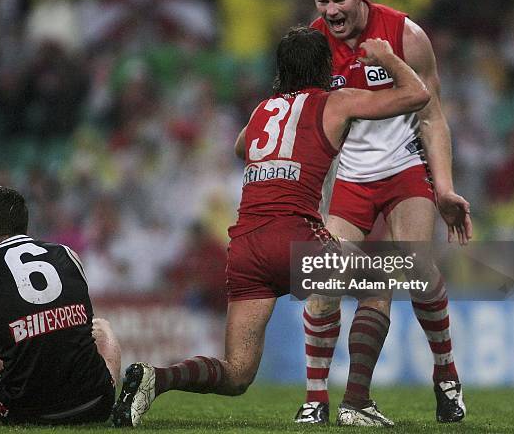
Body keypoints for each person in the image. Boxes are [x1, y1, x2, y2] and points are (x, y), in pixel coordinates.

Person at [111, 26, 430, 428]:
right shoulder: (336, 101)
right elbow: (418, 94)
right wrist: (387, 58)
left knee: (237, 373)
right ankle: (357, 403)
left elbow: (242, 147)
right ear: (323, 66)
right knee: (376, 286)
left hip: (245, 246)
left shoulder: (262, 110)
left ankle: (156, 379)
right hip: (294, 235)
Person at [294, 0, 472, 425]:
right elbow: (310, 122)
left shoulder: (405, 34)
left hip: (404, 172)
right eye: (323, 2)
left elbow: (433, 116)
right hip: (350, 179)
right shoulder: (313, 45)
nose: (331, 11)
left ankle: (446, 376)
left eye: (339, 0)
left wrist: (446, 189)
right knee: (322, 280)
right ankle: (316, 399)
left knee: (415, 270)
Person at [0, 186, 121, 425]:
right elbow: (74, 334)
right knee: (102, 327)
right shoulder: (69, 255)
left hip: (25, 413)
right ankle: (112, 393)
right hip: (95, 403)